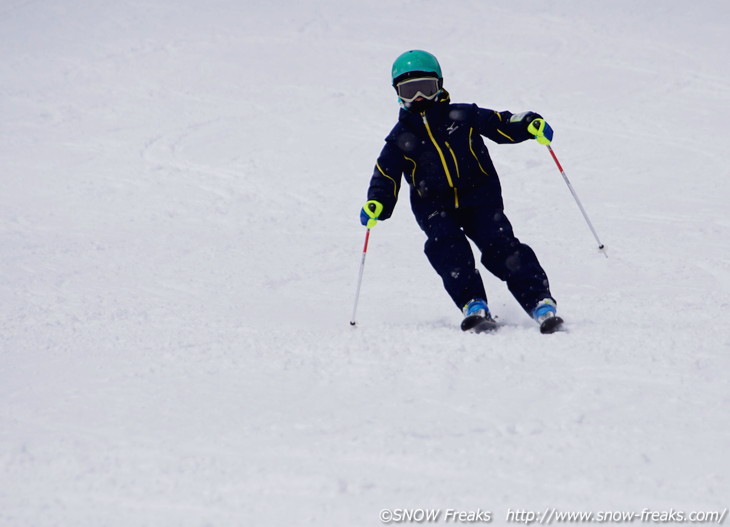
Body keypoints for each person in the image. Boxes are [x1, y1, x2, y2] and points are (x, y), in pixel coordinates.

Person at [360, 50, 564, 334]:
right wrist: (377, 202)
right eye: (409, 90)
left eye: (426, 87)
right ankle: (473, 303)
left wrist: (527, 123)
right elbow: (384, 175)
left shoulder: (464, 116)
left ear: (440, 85)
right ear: (398, 93)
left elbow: (501, 123)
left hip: (479, 198)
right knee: (448, 249)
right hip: (433, 205)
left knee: (502, 246)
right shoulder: (399, 139)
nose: (419, 96)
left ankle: (539, 301)